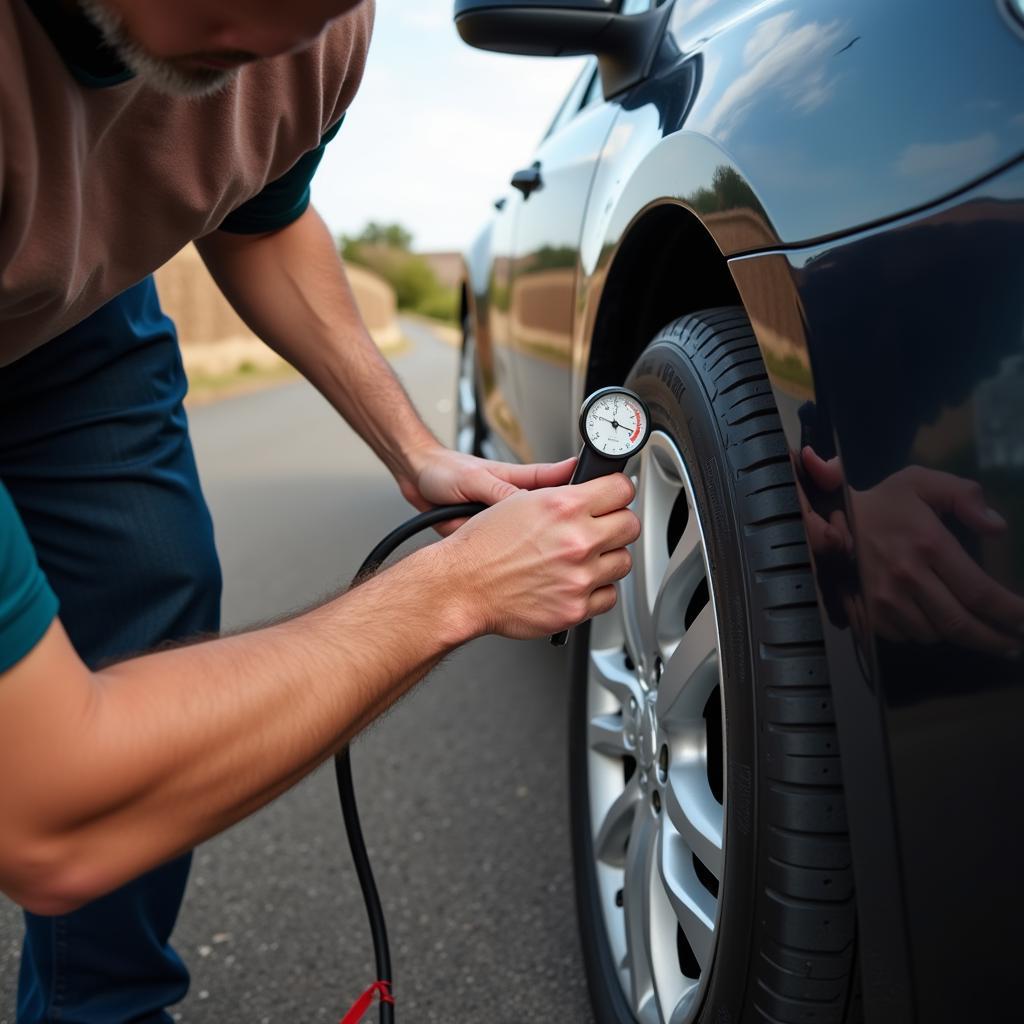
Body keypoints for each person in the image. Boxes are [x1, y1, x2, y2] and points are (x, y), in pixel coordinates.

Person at [0, 1, 640, 1021]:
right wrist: (454, 590)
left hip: (69, 315)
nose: (267, 37)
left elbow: (262, 214)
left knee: (154, 577)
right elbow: (45, 815)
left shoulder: (316, 40)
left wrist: (417, 454)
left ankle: (103, 1007)